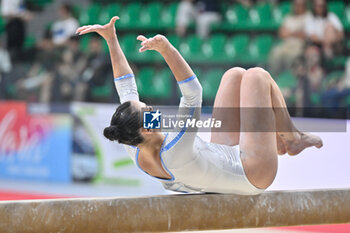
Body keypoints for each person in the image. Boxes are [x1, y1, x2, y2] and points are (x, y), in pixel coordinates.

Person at [77, 17, 323, 194]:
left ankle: (279, 136)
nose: (153, 110)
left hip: (220, 158)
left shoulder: (133, 142)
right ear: (147, 130)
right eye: (149, 111)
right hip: (251, 175)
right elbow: (193, 94)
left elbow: (126, 87)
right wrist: (166, 49)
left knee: (234, 75)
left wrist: (111, 39)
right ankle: (291, 138)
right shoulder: (174, 149)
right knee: (256, 76)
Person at [269, 0, 309, 75]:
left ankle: (291, 79)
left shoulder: (308, 16)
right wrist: (296, 32)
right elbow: (281, 33)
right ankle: (275, 78)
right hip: (286, 44)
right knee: (275, 54)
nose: (298, 7)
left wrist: (290, 33)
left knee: (291, 56)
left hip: (299, 44)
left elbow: (305, 34)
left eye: (301, 5)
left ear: (304, 5)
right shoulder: (289, 17)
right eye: (296, 5)